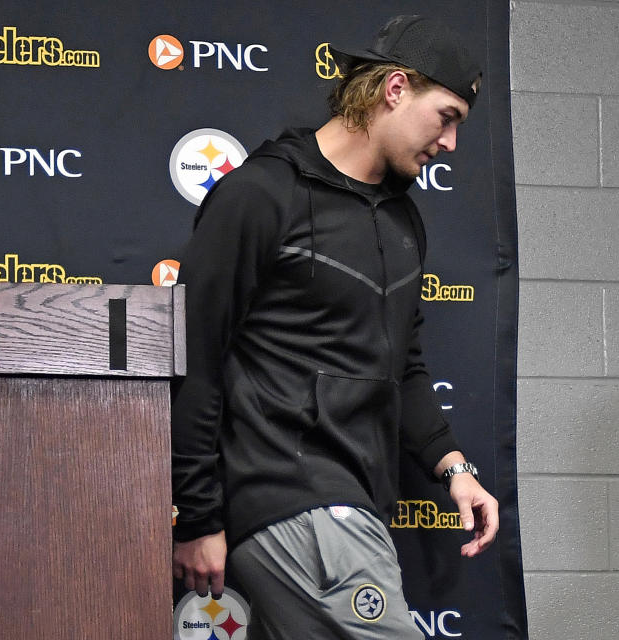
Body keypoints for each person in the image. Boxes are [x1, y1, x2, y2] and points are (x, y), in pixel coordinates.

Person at [170, 15, 499, 639]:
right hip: (290, 499)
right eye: (447, 116)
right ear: (395, 89)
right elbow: (195, 357)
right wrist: (198, 517)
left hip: (358, 509)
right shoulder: (263, 194)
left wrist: (454, 467)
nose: (451, 143)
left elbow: (403, 366)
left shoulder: (404, 223)